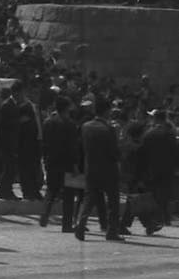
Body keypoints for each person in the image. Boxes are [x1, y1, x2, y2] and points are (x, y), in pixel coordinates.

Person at [73, 96, 123, 242]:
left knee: (88, 199)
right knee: (113, 201)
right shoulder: (109, 129)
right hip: (108, 170)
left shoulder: (86, 126)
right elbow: (114, 152)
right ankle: (111, 231)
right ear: (107, 111)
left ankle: (80, 226)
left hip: (91, 168)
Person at [39, 93, 80, 231]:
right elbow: (73, 147)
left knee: (51, 190)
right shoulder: (70, 124)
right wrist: (75, 165)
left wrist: (45, 160)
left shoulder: (47, 122)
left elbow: (43, 144)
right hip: (66, 163)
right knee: (68, 195)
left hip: (51, 161)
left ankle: (44, 214)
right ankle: (67, 224)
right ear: (66, 108)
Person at [137, 110, 179, 226]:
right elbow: (176, 152)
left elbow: (142, 154)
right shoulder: (170, 134)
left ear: (155, 119)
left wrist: (142, 170)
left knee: (153, 193)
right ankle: (165, 217)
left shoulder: (148, 134)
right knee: (165, 193)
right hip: (167, 169)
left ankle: (156, 218)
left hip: (152, 169)